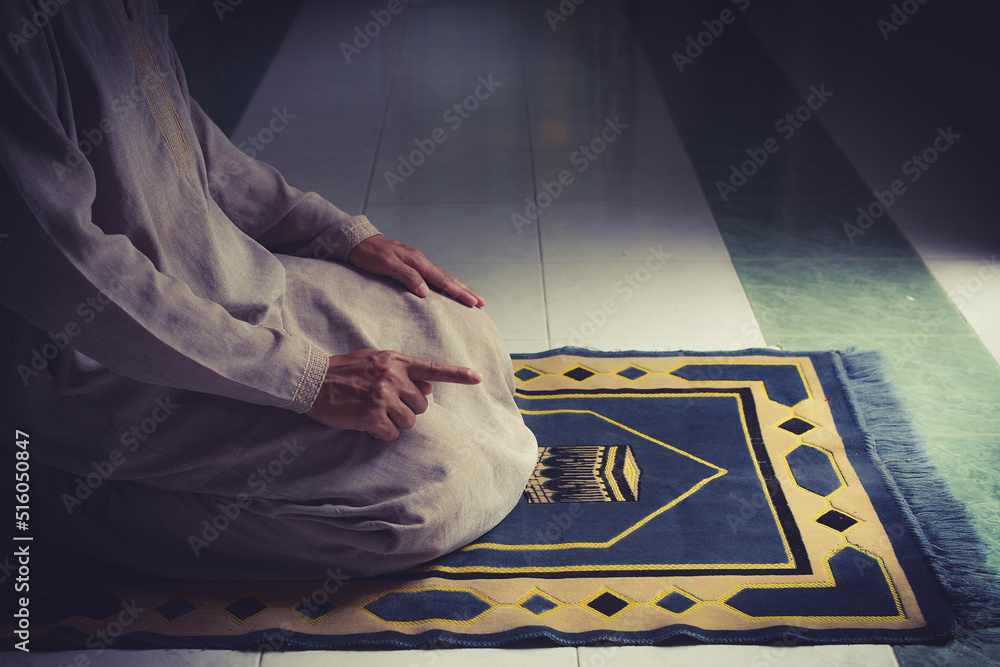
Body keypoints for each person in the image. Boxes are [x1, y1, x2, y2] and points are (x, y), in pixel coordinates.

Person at [0, 0, 537, 580]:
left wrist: (337, 235)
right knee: (428, 494)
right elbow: (69, 273)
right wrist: (308, 379)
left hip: (225, 288)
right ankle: (44, 498)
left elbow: (195, 149)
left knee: (461, 329)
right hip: (101, 365)